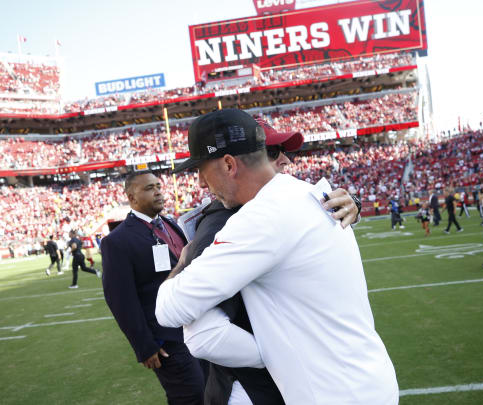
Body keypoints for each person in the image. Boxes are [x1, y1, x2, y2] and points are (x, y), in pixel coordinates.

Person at [156, 109, 399, 405]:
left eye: (201, 171)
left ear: (229, 164)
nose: (200, 184)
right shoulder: (309, 194)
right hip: (367, 377)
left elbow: (169, 309)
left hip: (331, 392)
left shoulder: (262, 215)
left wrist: (186, 258)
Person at [101, 172, 205, 405]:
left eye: (159, 186)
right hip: (166, 338)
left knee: (209, 392)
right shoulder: (117, 241)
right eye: (149, 188)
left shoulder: (169, 223)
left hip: (196, 326)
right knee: (191, 396)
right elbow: (121, 300)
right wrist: (144, 346)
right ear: (131, 197)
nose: (158, 191)